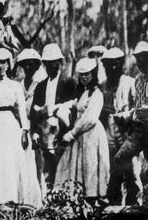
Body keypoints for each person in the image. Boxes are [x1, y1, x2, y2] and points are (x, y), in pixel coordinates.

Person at [0, 48, 41, 206]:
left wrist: (25, 131)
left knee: (12, 158)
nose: (0, 66)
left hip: (11, 124)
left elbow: (22, 111)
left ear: (8, 64)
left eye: (3, 62)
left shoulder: (15, 85)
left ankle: (13, 197)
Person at [54, 57, 109, 204]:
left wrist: (72, 133)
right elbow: (74, 105)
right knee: (75, 166)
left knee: (89, 165)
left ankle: (91, 199)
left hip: (90, 134)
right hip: (80, 134)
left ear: (94, 74)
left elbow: (90, 118)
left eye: (88, 74)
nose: (84, 77)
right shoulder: (83, 93)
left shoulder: (96, 94)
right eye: (82, 75)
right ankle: (78, 199)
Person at [29, 43, 77, 191]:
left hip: (62, 132)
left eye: (55, 63)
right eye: (49, 64)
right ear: (44, 64)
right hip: (44, 133)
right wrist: (35, 132)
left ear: (60, 63)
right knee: (46, 167)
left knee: (62, 165)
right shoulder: (41, 86)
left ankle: (61, 195)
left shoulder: (68, 82)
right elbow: (33, 112)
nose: (52, 66)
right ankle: (48, 195)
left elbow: (74, 107)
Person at [100, 47, 138, 205]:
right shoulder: (102, 85)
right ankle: (114, 203)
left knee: (129, 167)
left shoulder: (130, 82)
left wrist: (127, 116)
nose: (111, 68)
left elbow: (137, 107)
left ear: (121, 64)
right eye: (108, 65)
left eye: (115, 64)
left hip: (126, 129)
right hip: (109, 129)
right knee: (113, 167)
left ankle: (133, 203)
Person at [112, 41, 148, 201]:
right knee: (120, 159)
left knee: (145, 171)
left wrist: (133, 114)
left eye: (144, 58)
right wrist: (129, 116)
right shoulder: (138, 79)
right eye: (138, 59)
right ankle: (124, 197)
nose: (141, 62)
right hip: (139, 130)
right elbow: (137, 106)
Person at [16, 48, 48, 195]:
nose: (28, 68)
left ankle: (43, 193)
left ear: (37, 65)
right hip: (25, 125)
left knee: (41, 161)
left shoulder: (41, 81)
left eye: (31, 64)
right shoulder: (21, 83)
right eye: (24, 65)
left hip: (40, 125)